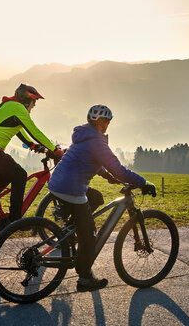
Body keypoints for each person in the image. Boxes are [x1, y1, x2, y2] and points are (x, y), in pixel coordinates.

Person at [47, 104, 156, 292]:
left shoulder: (84, 135)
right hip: (71, 189)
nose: (108, 125)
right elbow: (119, 169)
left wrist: (107, 176)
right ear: (104, 123)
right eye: (107, 122)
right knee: (89, 236)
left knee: (96, 197)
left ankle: (71, 229)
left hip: (58, 183)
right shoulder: (96, 141)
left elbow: (91, 160)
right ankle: (85, 278)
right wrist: (143, 182)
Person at [0, 83, 63, 222]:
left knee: (6, 176)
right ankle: (14, 219)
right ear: (26, 100)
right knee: (20, 175)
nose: (34, 105)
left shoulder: (11, 105)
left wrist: (32, 145)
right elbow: (34, 131)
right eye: (34, 101)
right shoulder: (18, 108)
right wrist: (54, 150)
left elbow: (17, 128)